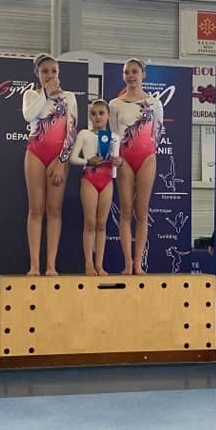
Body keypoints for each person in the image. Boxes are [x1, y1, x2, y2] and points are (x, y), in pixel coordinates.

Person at [21, 54, 78, 276]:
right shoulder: (31, 95)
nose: (50, 75)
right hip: (35, 153)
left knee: (54, 210)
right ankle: (34, 265)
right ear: (37, 73)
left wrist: (62, 160)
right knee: (36, 209)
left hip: (58, 157)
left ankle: (51, 265)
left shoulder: (69, 97)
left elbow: (71, 131)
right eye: (45, 71)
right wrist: (45, 92)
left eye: (53, 71)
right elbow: (29, 116)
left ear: (58, 73)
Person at [108, 59, 164, 275]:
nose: (131, 76)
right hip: (124, 159)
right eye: (127, 72)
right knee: (125, 211)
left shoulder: (154, 103)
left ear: (143, 74)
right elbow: (114, 134)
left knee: (142, 211)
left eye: (134, 72)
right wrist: (115, 156)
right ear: (123, 76)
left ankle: (139, 263)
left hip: (147, 157)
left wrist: (148, 150)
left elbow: (157, 132)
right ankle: (128, 263)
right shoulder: (115, 104)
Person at [69, 100, 122, 276]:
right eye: (94, 113)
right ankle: (89, 264)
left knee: (101, 224)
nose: (97, 117)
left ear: (108, 115)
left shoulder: (114, 137)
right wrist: (88, 161)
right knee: (90, 223)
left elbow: (116, 162)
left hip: (107, 180)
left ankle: (99, 265)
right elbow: (73, 158)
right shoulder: (84, 134)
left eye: (101, 113)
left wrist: (119, 162)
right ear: (90, 116)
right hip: (89, 179)